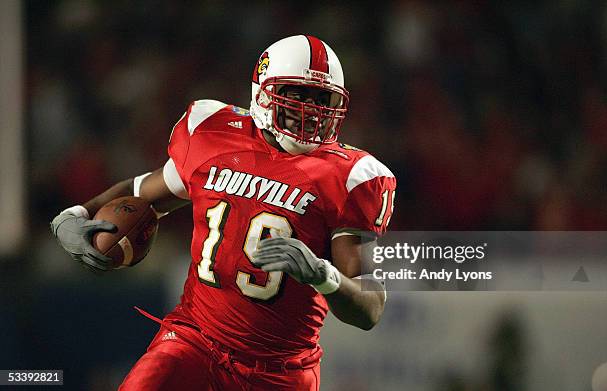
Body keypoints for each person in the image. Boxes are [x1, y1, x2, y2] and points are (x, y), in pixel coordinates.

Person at [51, 35, 396, 391]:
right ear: (262, 93)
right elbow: (142, 192)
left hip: (281, 371)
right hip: (193, 343)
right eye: (298, 94)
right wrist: (74, 214)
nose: (313, 110)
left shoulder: (351, 176)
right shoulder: (214, 133)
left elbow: (370, 309)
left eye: (323, 99)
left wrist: (323, 274)